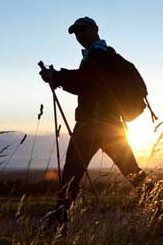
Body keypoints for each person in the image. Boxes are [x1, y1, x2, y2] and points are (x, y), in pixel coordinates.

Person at [39, 17, 147, 215]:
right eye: (77, 33)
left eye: (84, 30)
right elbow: (90, 84)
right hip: (113, 127)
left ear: (96, 30)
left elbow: (85, 82)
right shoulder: (105, 55)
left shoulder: (98, 55)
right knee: (133, 173)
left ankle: (58, 226)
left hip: (90, 126)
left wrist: (56, 77)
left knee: (71, 176)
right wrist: (59, 78)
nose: (81, 35)